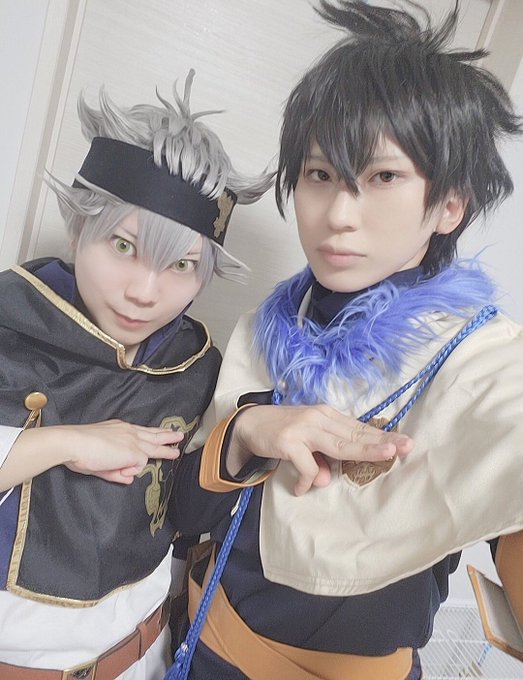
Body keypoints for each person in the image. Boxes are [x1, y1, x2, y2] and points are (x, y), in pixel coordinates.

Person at [168, 2, 523, 679]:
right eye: (319, 174)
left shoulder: (482, 359)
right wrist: (247, 432)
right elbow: (183, 513)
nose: (336, 214)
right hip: (200, 645)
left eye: (383, 177)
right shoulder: (264, 329)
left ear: (450, 204)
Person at [0, 71, 276, 679]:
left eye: (181, 265)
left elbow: (193, 521)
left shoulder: (199, 366)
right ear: (80, 226)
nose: (146, 292)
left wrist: (245, 442)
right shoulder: (8, 324)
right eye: (124, 246)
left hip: (144, 659)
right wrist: (64, 443)